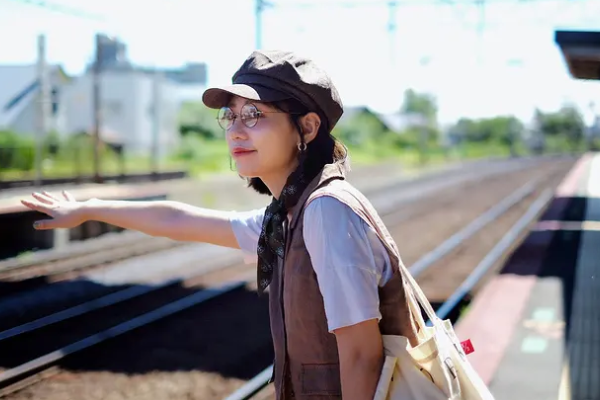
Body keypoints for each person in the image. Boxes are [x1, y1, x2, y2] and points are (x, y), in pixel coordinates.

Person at [20, 50, 420, 400]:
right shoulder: (290, 214)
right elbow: (178, 219)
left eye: (255, 115)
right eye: (230, 116)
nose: (236, 131)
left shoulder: (325, 212)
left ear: (308, 127)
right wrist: (90, 209)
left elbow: (360, 355)